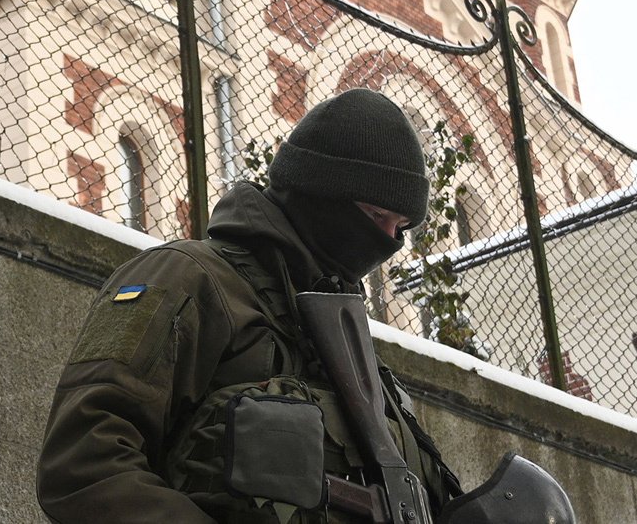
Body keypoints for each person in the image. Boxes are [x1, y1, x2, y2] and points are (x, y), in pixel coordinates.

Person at [37, 88, 462, 524]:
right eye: (376, 217)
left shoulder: (350, 350)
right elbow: (84, 466)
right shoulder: (189, 279)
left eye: (402, 227)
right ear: (320, 191)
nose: (389, 241)